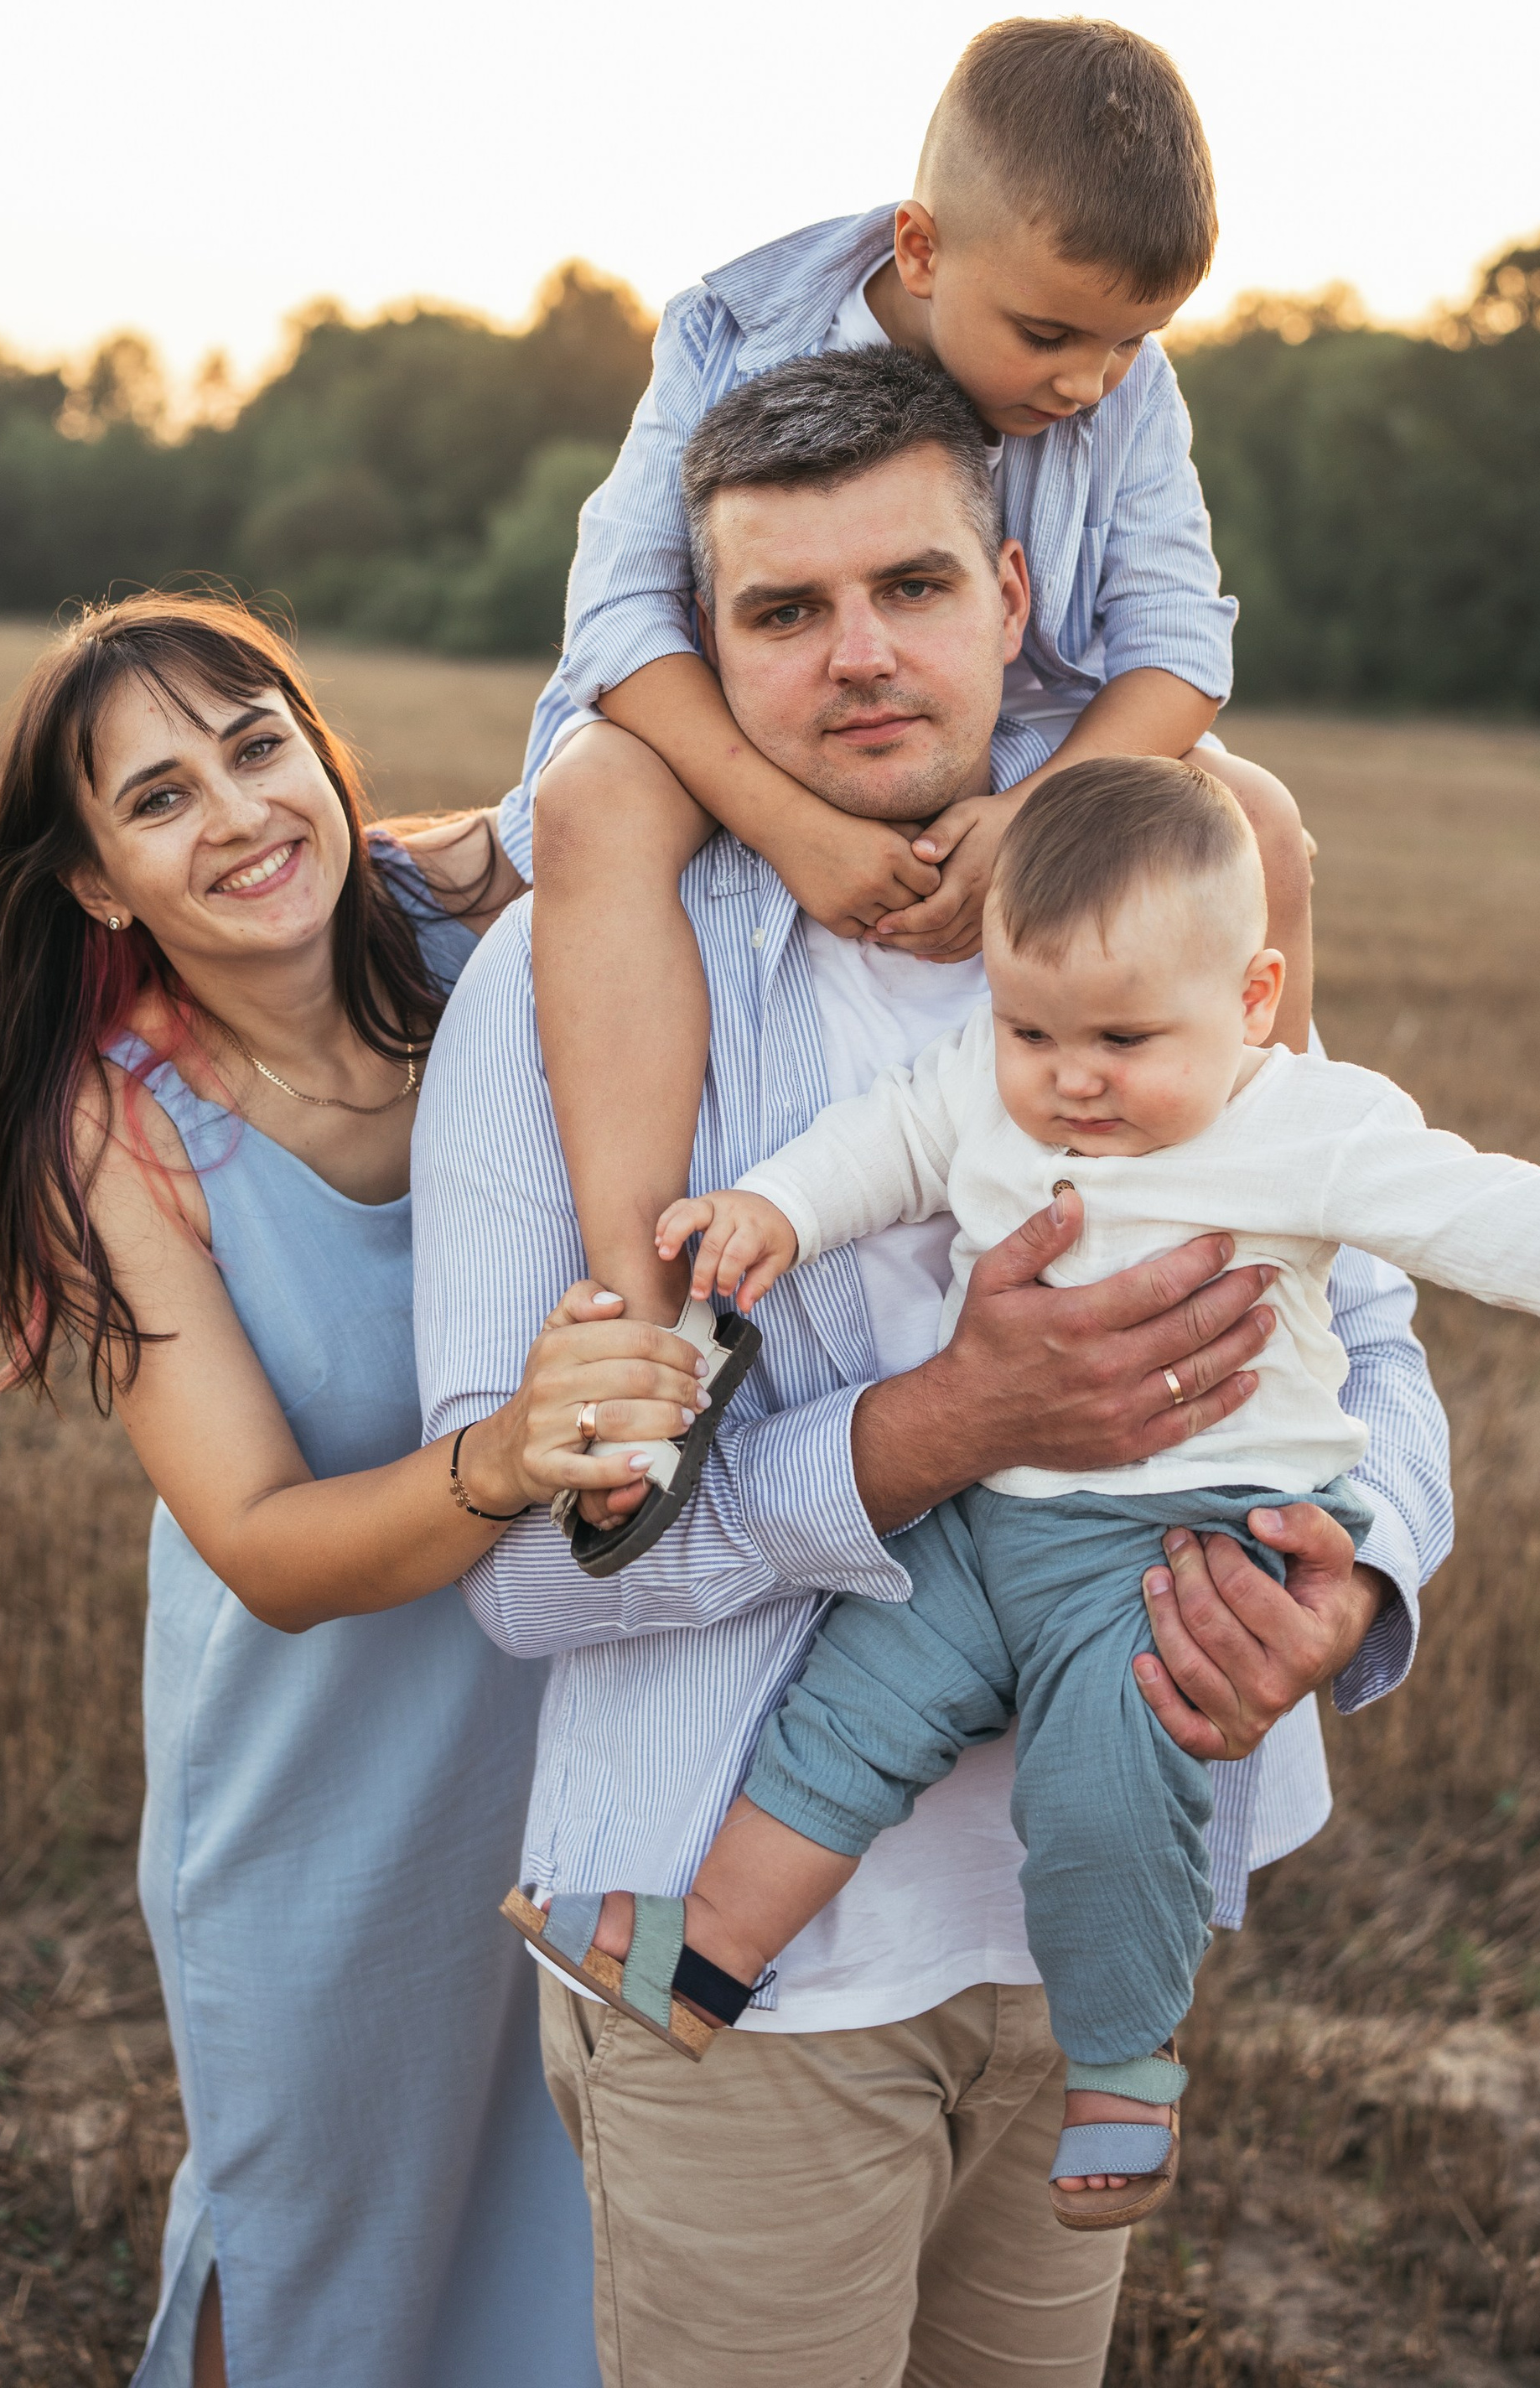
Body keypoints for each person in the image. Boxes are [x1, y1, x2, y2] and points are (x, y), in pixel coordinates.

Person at [414, 350, 1454, 2388]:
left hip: (1088, 1949)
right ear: (703, 656)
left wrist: (1352, 1585)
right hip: (748, 1995)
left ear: (1008, 590)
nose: (857, 657)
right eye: (780, 614)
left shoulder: (1166, 927)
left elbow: (1380, 1332)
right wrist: (943, 1427)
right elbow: (528, 1568)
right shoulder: (583, 999)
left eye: (906, 587)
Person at [526, 753, 1540, 2233]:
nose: (1071, 1078)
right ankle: (708, 1949)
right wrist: (776, 1212)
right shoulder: (999, 1090)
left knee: (1109, 1783)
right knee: (849, 1709)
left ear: (1254, 1002)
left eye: (1125, 1039)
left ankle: (1123, 2063)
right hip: (985, 1516)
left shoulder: (1312, 1125)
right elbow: (890, 1140)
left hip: (1178, 1544)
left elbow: (1494, 1215)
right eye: (1030, 1030)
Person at [0, 592, 706, 2388]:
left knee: (555, 2247)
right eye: (158, 798)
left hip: (573, 1736)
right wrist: (508, 1457)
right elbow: (267, 1548)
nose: (240, 813)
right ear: (101, 884)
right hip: (312, 1775)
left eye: (258, 745)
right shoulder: (114, 1127)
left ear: (324, 756)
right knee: (313, 2247)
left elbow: (668, 752)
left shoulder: (486, 932)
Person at [508, 19, 1320, 1442]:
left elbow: (1181, 648)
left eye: (1133, 341)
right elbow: (618, 621)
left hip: (1025, 740)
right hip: (733, 729)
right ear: (924, 248)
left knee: (1253, 819)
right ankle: (647, 1311)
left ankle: (1267, 1215)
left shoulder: (1129, 391)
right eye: (1051, 336)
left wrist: (1037, 816)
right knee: (596, 801)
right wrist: (790, 828)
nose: (1088, 383)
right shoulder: (733, 325)